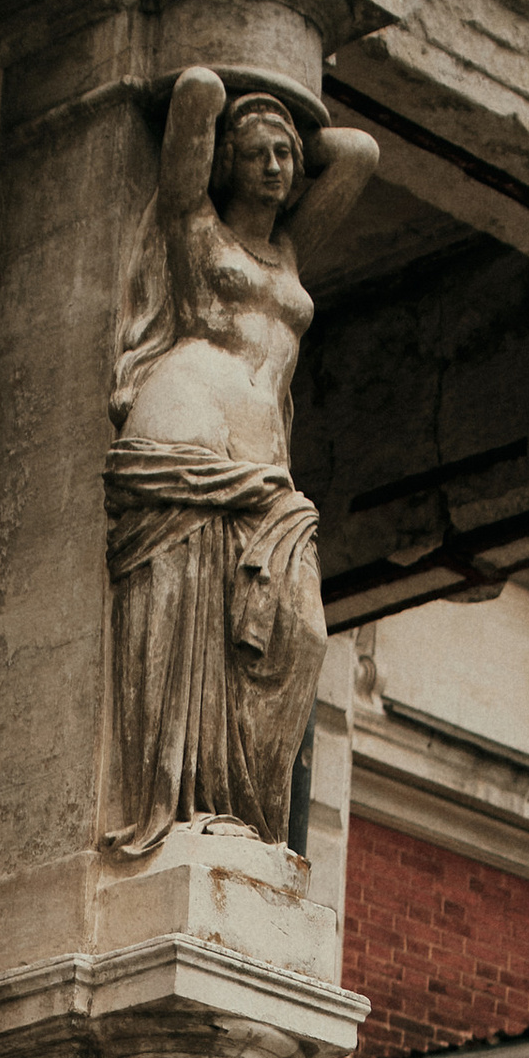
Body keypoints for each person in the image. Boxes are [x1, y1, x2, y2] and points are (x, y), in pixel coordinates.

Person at [106, 66, 376, 857]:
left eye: (287, 157)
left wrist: (286, 111)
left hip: (265, 471)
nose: (276, 167)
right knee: (182, 625)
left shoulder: (291, 249)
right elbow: (193, 91)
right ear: (227, 161)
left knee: (304, 633)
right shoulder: (194, 228)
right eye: (258, 152)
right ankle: (182, 815)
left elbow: (356, 156)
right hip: (185, 436)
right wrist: (232, 87)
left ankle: (243, 817)